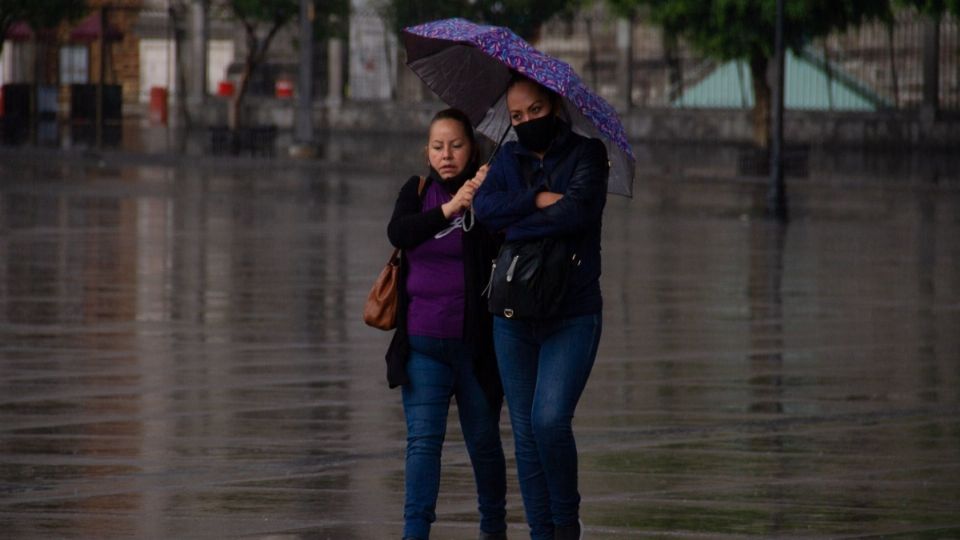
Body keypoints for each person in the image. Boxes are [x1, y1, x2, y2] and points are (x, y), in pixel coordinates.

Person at [472, 75, 609, 540]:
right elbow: (486, 212)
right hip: (512, 314)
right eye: (516, 116)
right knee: (525, 436)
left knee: (549, 420)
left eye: (534, 111)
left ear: (553, 106)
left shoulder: (588, 154)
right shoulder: (507, 158)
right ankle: (540, 532)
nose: (526, 121)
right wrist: (533, 200)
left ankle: (566, 527)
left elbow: (578, 213)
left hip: (572, 312)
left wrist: (518, 220)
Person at [385, 108, 507, 540]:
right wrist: (451, 208)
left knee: (484, 445)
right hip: (422, 344)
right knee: (423, 445)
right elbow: (399, 232)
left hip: (476, 349)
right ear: (427, 152)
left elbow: (505, 245)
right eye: (438, 146)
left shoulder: (488, 193)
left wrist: (485, 197)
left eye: (456, 145)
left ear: (472, 149)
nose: (447, 154)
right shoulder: (417, 192)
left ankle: (493, 528)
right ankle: (414, 533)